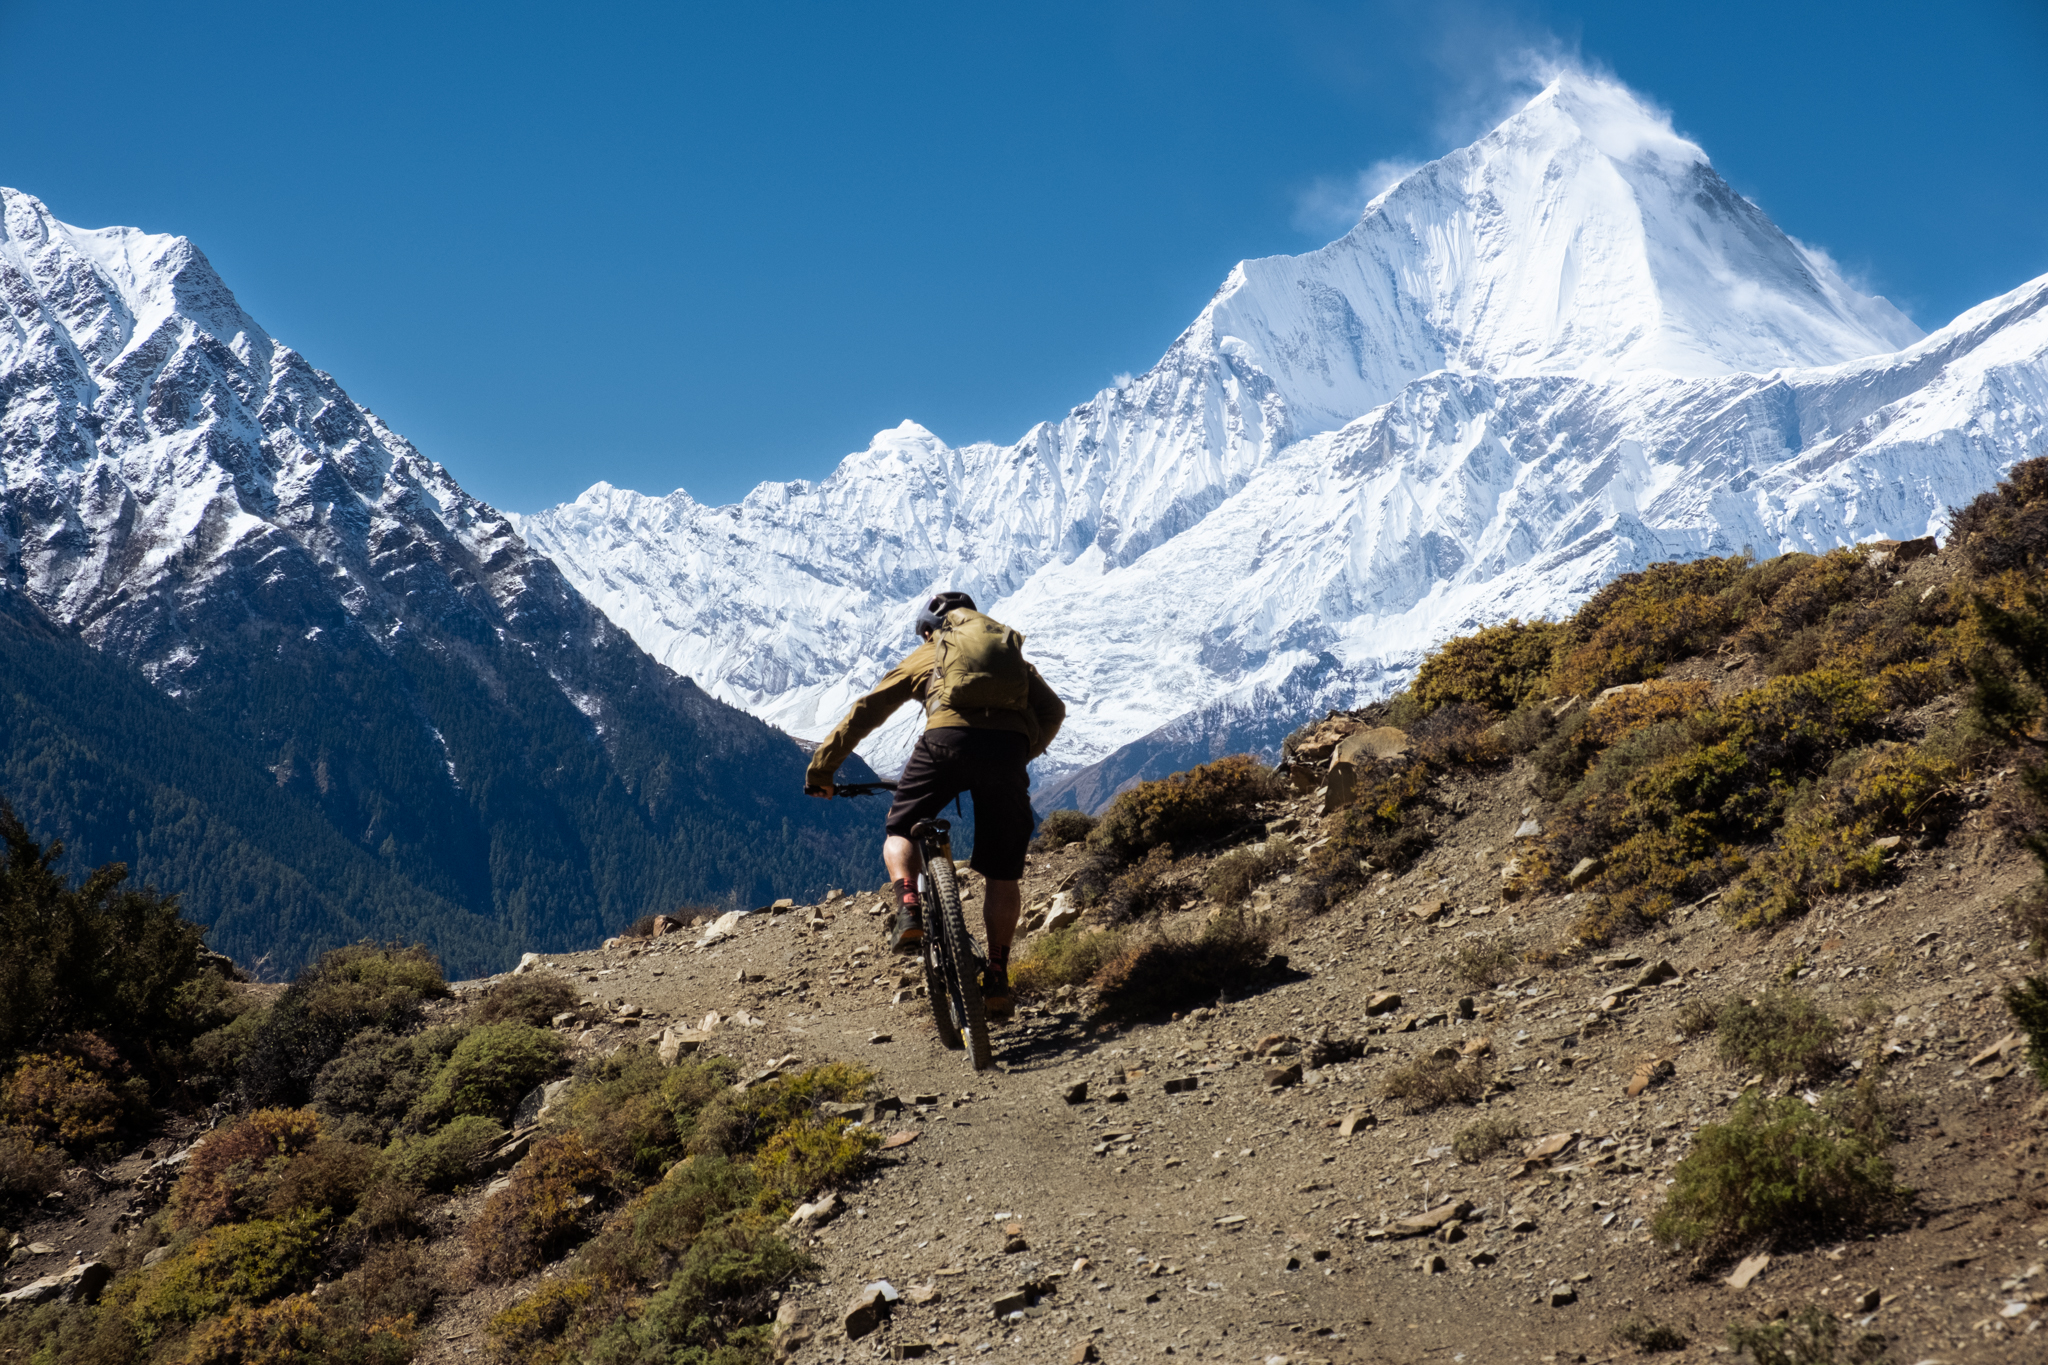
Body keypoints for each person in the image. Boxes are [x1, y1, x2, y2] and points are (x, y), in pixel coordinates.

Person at [804, 591, 1065, 1020]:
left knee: (901, 829)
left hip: (945, 743)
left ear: (929, 630)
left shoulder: (927, 654)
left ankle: (909, 909)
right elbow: (1053, 709)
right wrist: (1020, 753)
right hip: (1007, 754)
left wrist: (822, 771)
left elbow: (866, 711)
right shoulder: (1005, 652)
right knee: (1002, 872)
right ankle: (997, 975)